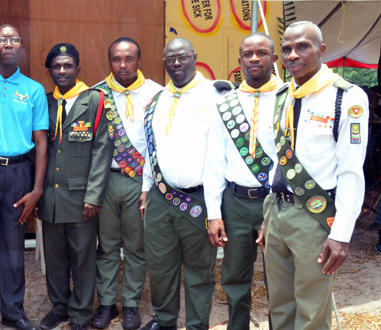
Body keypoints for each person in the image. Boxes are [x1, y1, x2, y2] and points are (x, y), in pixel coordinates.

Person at [257, 21, 368, 329]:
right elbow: (275, 160)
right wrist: (268, 216)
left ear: (321, 50)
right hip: (276, 210)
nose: (293, 55)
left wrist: (341, 234)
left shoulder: (346, 97)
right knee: (279, 305)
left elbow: (351, 171)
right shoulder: (281, 96)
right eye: (287, 49)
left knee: (311, 311)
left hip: (314, 216)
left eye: (302, 47)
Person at [139, 38, 226, 330]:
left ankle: (197, 325)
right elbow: (149, 150)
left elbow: (222, 154)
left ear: (195, 57)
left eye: (182, 57)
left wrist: (215, 209)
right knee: (161, 267)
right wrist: (145, 188)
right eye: (170, 58)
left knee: (200, 271)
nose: (176, 63)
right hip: (160, 199)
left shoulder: (216, 96)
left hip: (198, 200)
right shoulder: (157, 99)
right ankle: (164, 321)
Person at [203, 32, 281, 330]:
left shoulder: (288, 99)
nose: (254, 58)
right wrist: (213, 213)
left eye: (262, 53)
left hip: (275, 202)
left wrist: (275, 206)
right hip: (234, 203)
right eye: (248, 53)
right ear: (239, 61)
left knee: (279, 277)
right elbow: (214, 161)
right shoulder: (225, 104)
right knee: (235, 278)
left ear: (274, 58)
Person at [0, 24, 47, 330]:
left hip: (19, 174)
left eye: (14, 39)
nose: (8, 43)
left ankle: (14, 313)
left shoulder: (33, 90)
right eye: (1, 39)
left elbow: (42, 142)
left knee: (15, 248)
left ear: (21, 47)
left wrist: (37, 189)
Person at [38, 43, 113, 330]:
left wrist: (94, 196)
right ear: (50, 71)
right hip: (50, 197)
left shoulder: (94, 100)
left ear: (78, 68)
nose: (62, 71)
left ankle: (81, 313)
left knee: (82, 259)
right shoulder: (44, 102)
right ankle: (59, 307)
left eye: (67, 65)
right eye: (56, 66)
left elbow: (102, 151)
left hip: (82, 197)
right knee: (56, 260)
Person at [91, 37, 162, 330]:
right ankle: (107, 303)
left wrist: (149, 186)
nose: (123, 65)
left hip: (139, 182)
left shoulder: (157, 93)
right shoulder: (96, 94)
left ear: (139, 61)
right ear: (110, 62)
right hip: (105, 181)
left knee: (136, 246)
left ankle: (131, 303)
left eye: (129, 59)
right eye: (117, 59)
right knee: (106, 247)